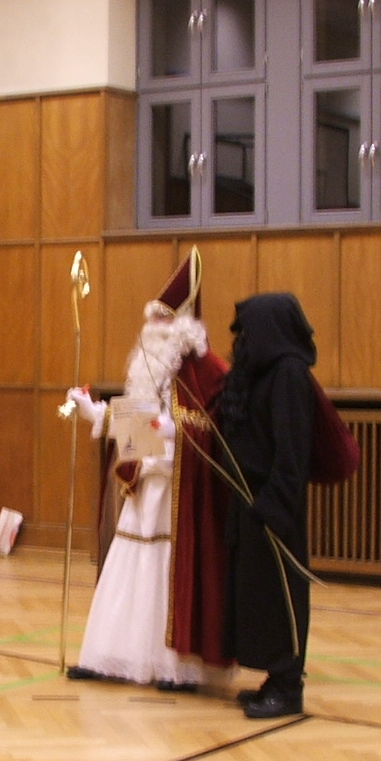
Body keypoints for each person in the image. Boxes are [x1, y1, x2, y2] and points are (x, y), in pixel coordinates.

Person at [64, 250, 230, 690]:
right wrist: (97, 413)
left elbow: (211, 431)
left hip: (179, 494)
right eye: (152, 318)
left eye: (162, 319)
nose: (152, 327)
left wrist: (176, 433)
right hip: (144, 488)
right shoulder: (151, 366)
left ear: (182, 325)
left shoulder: (207, 371)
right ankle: (111, 657)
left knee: (167, 572)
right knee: (128, 566)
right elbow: (139, 420)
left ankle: (176, 667)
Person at [218, 293, 317, 720]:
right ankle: (273, 679)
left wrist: (272, 507)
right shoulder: (260, 373)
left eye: (246, 333)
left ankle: (288, 687)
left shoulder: (289, 374)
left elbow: (292, 452)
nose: (240, 342)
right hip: (251, 506)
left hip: (275, 510)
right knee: (258, 597)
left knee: (282, 599)